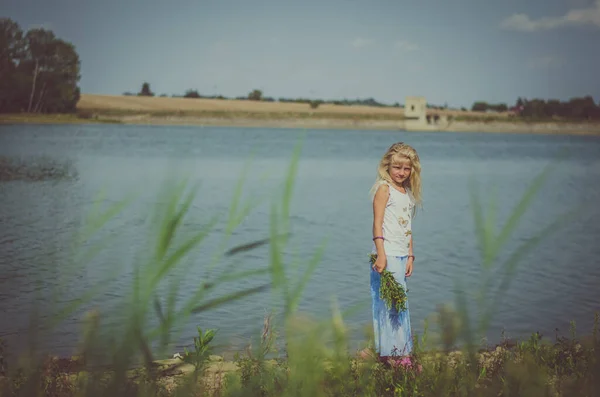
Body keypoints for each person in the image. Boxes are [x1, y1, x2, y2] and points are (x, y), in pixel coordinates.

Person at [368, 142, 422, 361]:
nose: (401, 172)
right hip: (386, 254)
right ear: (387, 165)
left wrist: (410, 255)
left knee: (399, 304)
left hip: (401, 254)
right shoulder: (384, 188)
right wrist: (381, 254)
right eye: (397, 167)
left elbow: (407, 227)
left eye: (406, 168)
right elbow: (377, 224)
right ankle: (396, 355)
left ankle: (394, 352)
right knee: (390, 304)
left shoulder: (407, 193)